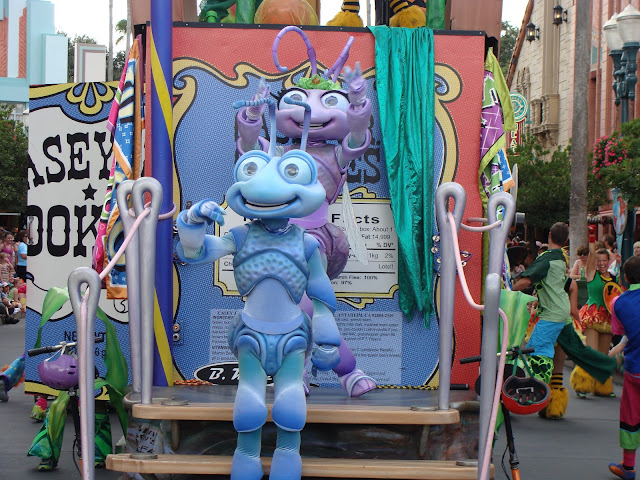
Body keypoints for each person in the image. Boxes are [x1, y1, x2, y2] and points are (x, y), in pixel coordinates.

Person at [512, 222, 570, 385]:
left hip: (552, 313)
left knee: (538, 351)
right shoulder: (560, 257)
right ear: (566, 241)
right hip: (559, 309)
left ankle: (539, 390)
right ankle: (547, 390)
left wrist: (507, 291)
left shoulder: (548, 258)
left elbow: (526, 281)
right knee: (538, 348)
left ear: (549, 235)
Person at [571, 225, 617, 398]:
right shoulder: (591, 274)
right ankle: (581, 384)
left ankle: (601, 387)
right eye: (599, 261)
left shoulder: (613, 277)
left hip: (607, 318)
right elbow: (590, 259)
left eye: (605, 260)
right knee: (591, 352)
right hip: (592, 316)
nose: (602, 263)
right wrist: (591, 241)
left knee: (602, 355)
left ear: (608, 261)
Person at [607, 256, 640, 480]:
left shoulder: (618, 303)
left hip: (634, 370)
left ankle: (628, 467)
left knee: (631, 416)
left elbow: (623, 332)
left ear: (624, 278)